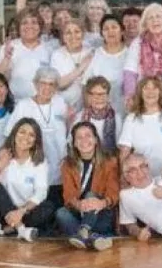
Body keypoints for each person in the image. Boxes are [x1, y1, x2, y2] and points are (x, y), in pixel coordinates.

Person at [0, 118, 54, 241]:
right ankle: (21, 229)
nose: (26, 137)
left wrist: (21, 211)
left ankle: (6, 230)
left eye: (31, 135)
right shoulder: (1, 155)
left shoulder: (40, 162)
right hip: (2, 210)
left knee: (48, 206)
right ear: (14, 134)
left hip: (26, 211)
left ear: (36, 140)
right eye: (22, 132)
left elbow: (41, 192)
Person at [58, 121, 120, 250]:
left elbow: (114, 192)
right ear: (74, 143)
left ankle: (83, 233)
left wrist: (102, 203)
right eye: (79, 137)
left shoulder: (110, 161)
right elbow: (68, 195)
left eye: (88, 135)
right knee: (61, 213)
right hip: (80, 212)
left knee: (91, 195)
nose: (84, 140)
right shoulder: (67, 164)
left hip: (102, 214)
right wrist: (78, 205)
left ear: (96, 140)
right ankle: (94, 238)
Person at [10, 67, 70, 197]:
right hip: (32, 170)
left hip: (58, 169)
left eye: (51, 84)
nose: (47, 88)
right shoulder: (23, 105)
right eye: (43, 83)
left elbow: (66, 130)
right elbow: (10, 136)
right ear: (35, 84)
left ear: (56, 87)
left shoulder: (60, 102)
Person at [118, 76, 162, 183]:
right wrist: (124, 175)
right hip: (141, 179)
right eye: (146, 88)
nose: (151, 92)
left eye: (155, 88)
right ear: (140, 92)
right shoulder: (131, 118)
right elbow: (125, 151)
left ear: (160, 92)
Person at [122, 4, 162, 101]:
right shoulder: (138, 42)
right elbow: (130, 72)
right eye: (150, 18)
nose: (155, 20)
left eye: (158, 16)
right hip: (144, 95)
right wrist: (130, 97)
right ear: (145, 24)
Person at [0, 9, 53, 102]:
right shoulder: (9, 46)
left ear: (40, 26)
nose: (29, 26)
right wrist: (6, 58)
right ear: (19, 27)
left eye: (34, 22)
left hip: (42, 104)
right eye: (24, 23)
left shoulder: (49, 49)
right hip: (15, 103)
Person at [52, 20, 96, 110]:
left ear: (83, 34)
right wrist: (80, 68)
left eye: (77, 32)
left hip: (88, 107)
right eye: (68, 33)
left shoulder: (91, 52)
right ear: (63, 37)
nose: (73, 36)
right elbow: (59, 84)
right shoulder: (57, 54)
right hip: (64, 107)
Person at [71, 76, 121, 153]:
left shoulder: (117, 118)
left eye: (102, 94)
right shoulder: (79, 118)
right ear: (88, 97)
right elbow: (71, 144)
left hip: (109, 161)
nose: (99, 98)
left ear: (108, 96)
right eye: (94, 94)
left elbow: (120, 146)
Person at [85, 14, 129, 95]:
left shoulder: (131, 54)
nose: (110, 31)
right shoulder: (95, 54)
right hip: (98, 105)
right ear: (102, 33)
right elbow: (86, 85)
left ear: (122, 31)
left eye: (114, 27)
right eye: (106, 29)